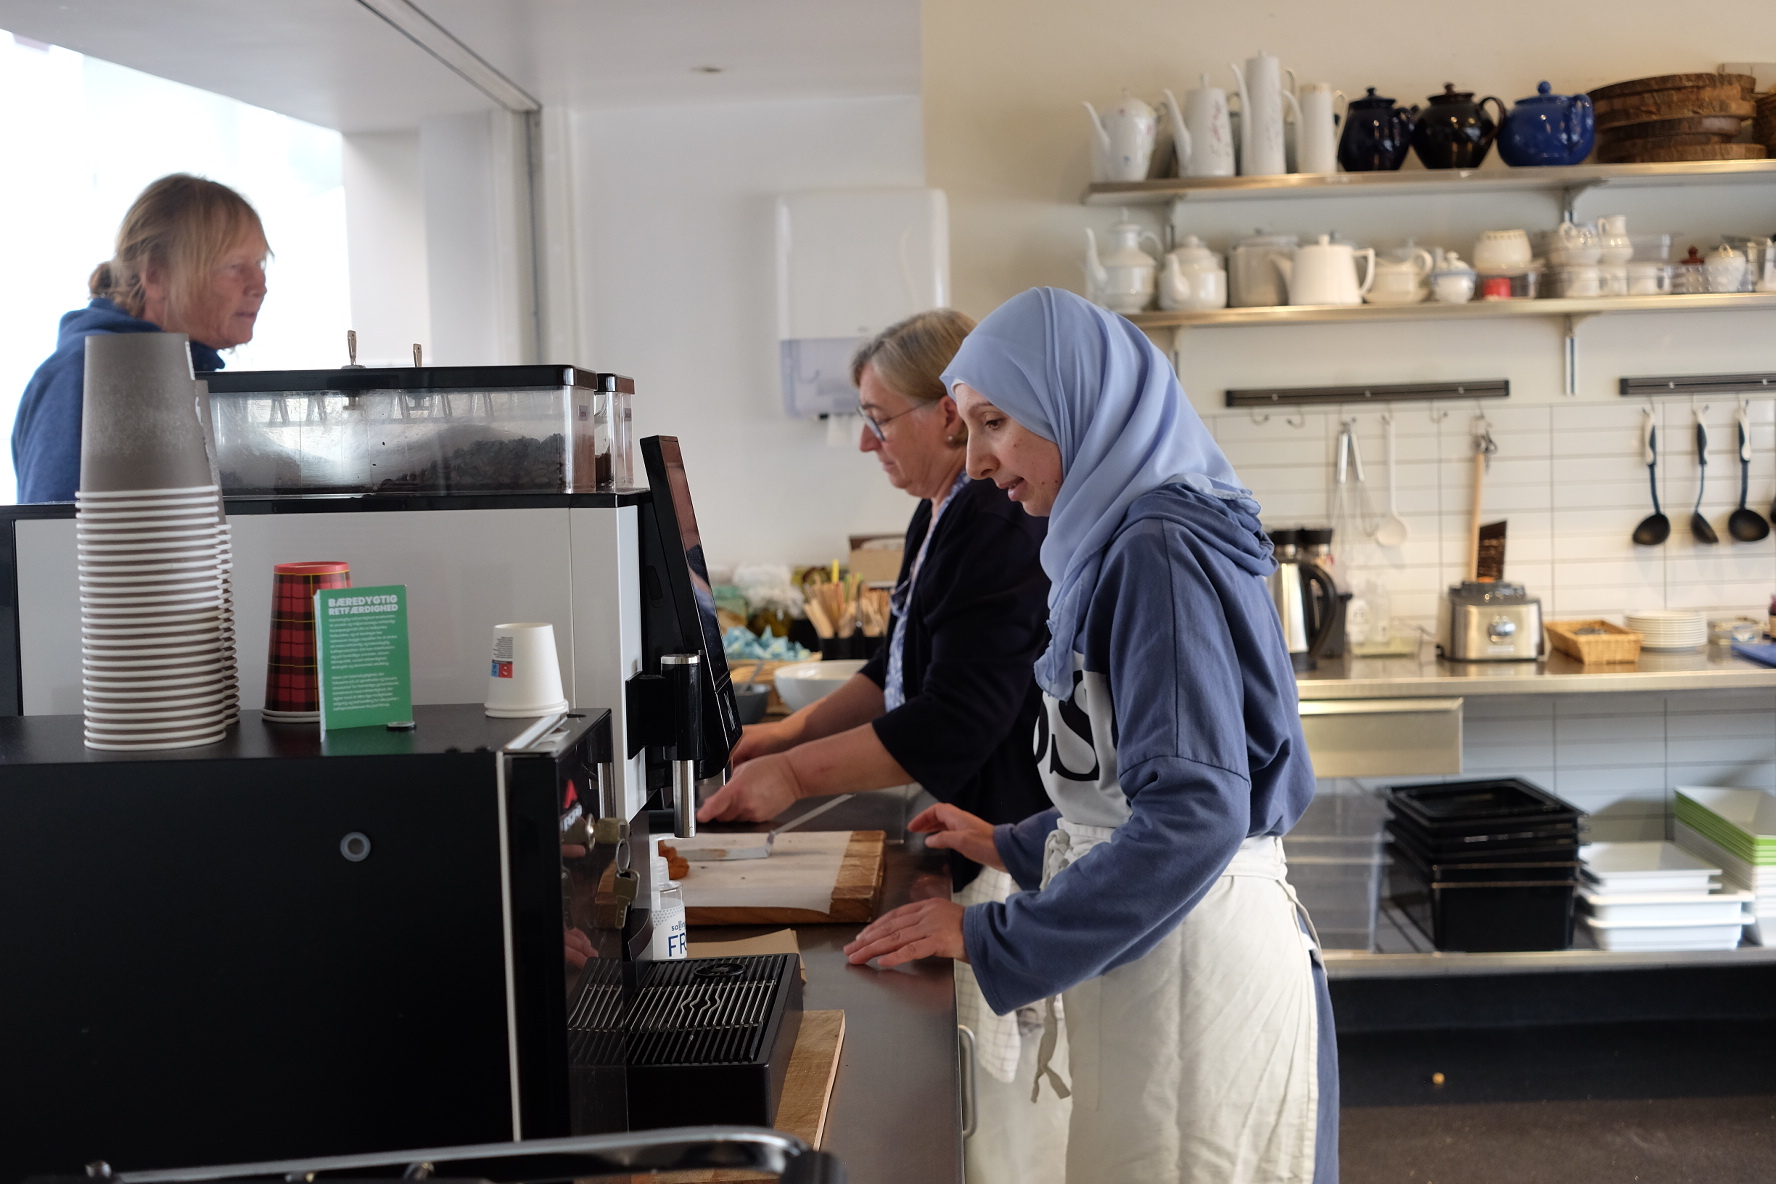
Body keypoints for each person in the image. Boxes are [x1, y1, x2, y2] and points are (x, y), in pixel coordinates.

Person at [843, 287, 1338, 1184]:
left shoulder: (1158, 551)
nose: (982, 460)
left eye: (995, 423)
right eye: (968, 426)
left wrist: (990, 938)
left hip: (1196, 969)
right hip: (1161, 951)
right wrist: (1014, 841)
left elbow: (1192, 814)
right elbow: (1122, 786)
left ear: (1078, 399)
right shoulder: (1114, 540)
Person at [696, 309, 1070, 1184]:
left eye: (877, 417)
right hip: (964, 819)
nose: (868, 443)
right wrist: (787, 732)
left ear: (949, 412)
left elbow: (952, 719)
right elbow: (897, 661)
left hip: (1000, 833)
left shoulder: (995, 522)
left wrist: (791, 774)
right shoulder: (939, 511)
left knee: (1005, 1123)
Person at [14, 174, 269, 503]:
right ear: (156, 276)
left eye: (260, 263)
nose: (259, 285)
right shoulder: (88, 374)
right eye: (233, 265)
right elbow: (52, 540)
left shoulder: (177, 370)